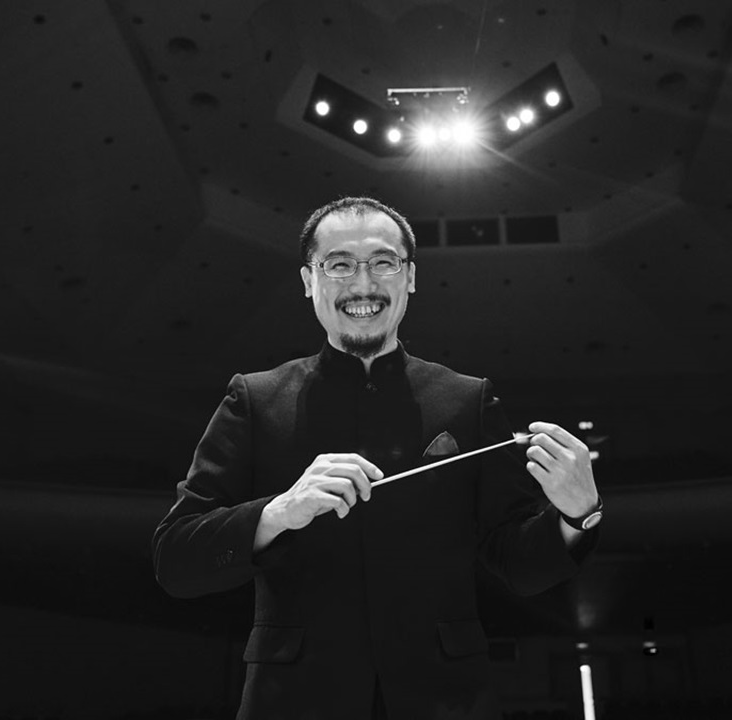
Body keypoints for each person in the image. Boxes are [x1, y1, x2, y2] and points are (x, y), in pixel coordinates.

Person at [153, 197, 602, 720]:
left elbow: (518, 563)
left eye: (383, 262)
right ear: (308, 280)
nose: (362, 285)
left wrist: (577, 514)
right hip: (296, 702)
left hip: (447, 699)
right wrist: (277, 513)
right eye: (339, 264)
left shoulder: (467, 400)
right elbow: (175, 561)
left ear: (409, 277)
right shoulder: (254, 400)